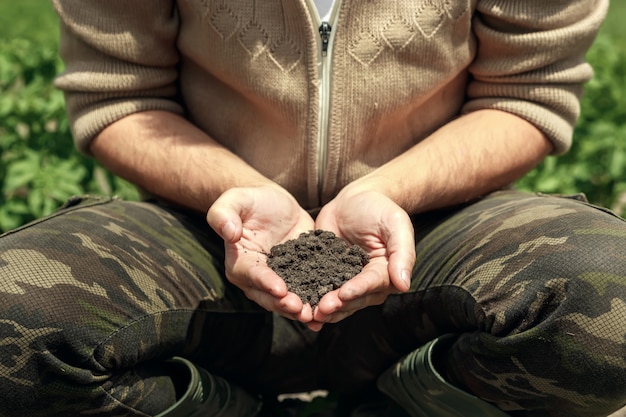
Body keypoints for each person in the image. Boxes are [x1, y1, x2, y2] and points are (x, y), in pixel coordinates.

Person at [0, 0, 624, 416]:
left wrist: (388, 193)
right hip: (204, 236)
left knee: (610, 299)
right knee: (15, 315)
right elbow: (122, 96)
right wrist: (239, 194)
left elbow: (526, 92)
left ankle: (400, 401)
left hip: (430, 237)